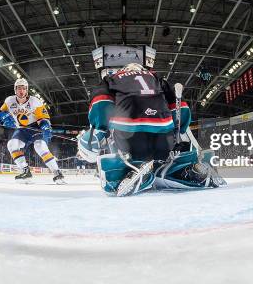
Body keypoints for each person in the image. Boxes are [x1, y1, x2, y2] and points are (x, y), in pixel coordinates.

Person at [86, 62, 221, 196]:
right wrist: (181, 127)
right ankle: (183, 170)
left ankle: (131, 170)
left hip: (130, 133)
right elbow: (181, 107)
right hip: (164, 132)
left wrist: (101, 127)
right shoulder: (156, 77)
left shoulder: (112, 79)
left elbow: (101, 102)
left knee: (115, 132)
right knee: (164, 155)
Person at [0, 79, 65, 184]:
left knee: (39, 146)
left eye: (24, 88)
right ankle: (25, 171)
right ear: (15, 90)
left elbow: (43, 119)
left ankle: (57, 172)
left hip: (35, 128)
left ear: (27, 90)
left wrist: (45, 126)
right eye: (19, 88)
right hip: (22, 129)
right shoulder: (9, 101)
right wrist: (1, 117)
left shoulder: (35, 101)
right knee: (12, 145)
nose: (21, 91)